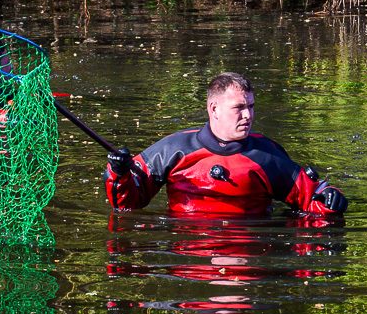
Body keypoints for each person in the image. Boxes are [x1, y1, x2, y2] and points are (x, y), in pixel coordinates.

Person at [104, 72, 348, 218]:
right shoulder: (173, 149)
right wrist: (120, 173)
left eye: (251, 106)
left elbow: (310, 199)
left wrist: (331, 200)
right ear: (214, 109)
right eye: (239, 108)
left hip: (249, 252)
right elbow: (127, 204)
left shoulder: (265, 155)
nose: (248, 116)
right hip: (186, 256)